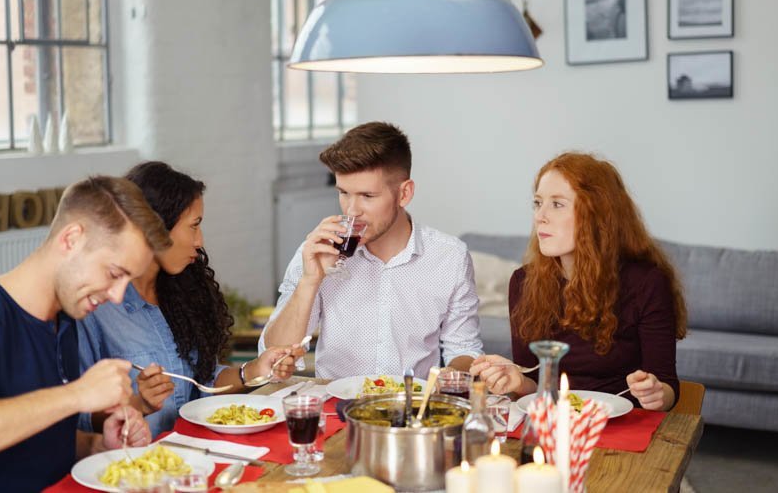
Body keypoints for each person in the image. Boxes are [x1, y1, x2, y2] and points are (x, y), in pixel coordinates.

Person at [78, 162, 303, 438]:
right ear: (155, 227)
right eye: (194, 226)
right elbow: (79, 418)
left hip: (194, 452)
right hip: (135, 464)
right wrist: (140, 404)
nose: (200, 241)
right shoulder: (95, 308)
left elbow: (203, 381)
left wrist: (254, 370)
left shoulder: (181, 292)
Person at [260, 122, 483, 379]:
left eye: (367, 196)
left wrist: (453, 374)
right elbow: (273, 360)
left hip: (410, 408)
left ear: (404, 193)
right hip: (336, 408)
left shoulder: (449, 257)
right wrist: (310, 281)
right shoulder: (317, 251)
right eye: (344, 193)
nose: (352, 210)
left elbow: (465, 349)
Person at [470, 152, 687, 411]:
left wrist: (654, 393)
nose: (540, 216)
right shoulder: (523, 282)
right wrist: (517, 381)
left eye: (557, 204)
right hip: (552, 423)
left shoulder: (648, 283)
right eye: (538, 203)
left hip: (623, 428)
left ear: (597, 215)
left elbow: (667, 388)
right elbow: (536, 387)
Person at [0, 176, 172, 491]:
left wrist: (96, 446)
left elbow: (35, 442)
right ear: (71, 239)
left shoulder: (65, 320)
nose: (118, 296)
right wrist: (79, 394)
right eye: (114, 273)